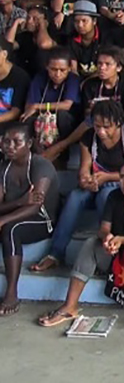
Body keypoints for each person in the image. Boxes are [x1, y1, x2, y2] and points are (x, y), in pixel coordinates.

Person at [38, 157, 124, 337]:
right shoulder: (114, 196)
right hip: (121, 257)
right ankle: (70, 306)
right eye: (123, 177)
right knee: (92, 242)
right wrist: (107, 239)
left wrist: (121, 239)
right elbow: (103, 229)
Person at [32, 100, 124, 273]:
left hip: (122, 183)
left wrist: (107, 177)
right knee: (75, 197)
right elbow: (84, 167)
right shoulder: (88, 137)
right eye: (97, 126)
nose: (101, 131)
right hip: (97, 181)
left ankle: (107, 252)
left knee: (105, 195)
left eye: (106, 127)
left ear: (118, 123)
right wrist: (85, 178)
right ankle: (55, 254)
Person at [0, 123, 59, 315]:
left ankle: (11, 293)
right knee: (8, 224)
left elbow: (34, 206)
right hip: (16, 214)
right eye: (6, 141)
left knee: (11, 228)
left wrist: (3, 220)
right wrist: (20, 201)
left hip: (42, 220)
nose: (10, 146)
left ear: (29, 143)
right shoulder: (3, 167)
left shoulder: (41, 165)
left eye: (16, 142)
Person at [21, 47, 80, 151]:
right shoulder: (39, 78)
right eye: (53, 69)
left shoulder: (73, 79)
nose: (57, 74)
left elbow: (66, 105)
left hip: (66, 121)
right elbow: (30, 105)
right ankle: (35, 152)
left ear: (70, 68)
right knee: (27, 119)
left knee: (62, 116)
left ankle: (62, 154)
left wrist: (37, 106)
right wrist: (32, 109)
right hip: (42, 118)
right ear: (46, 67)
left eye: (62, 70)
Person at [68, 0, 101, 79]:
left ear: (94, 21)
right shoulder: (71, 39)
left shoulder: (104, 38)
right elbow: (73, 69)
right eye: (76, 21)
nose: (80, 25)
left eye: (84, 21)